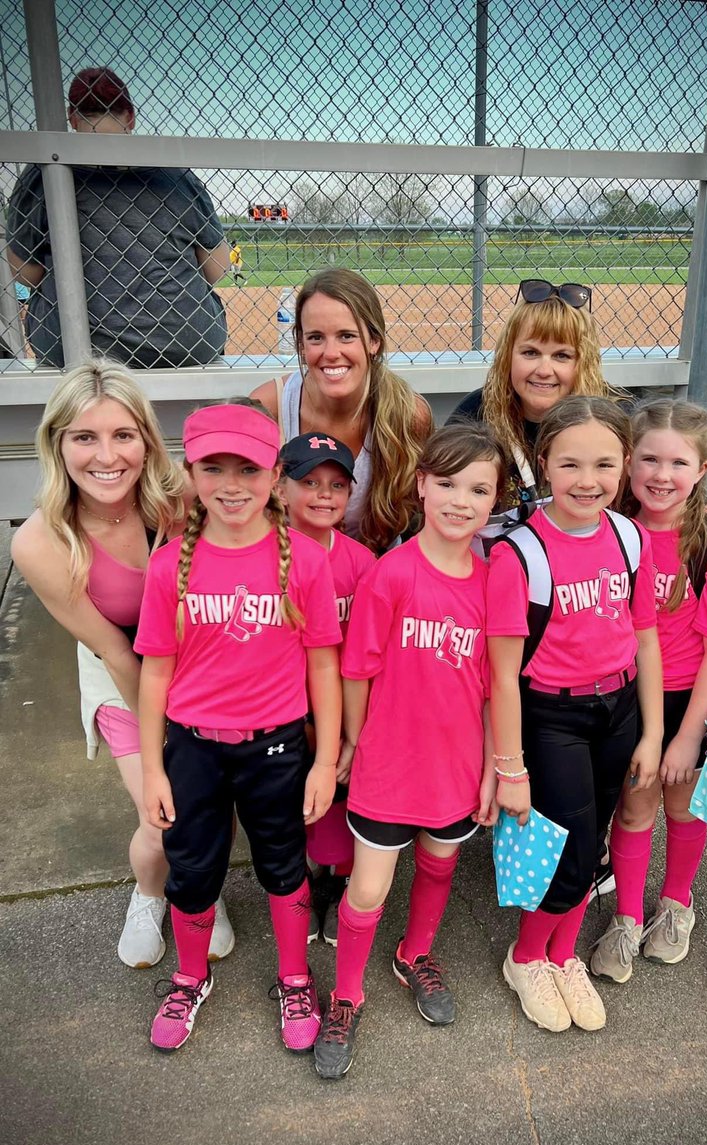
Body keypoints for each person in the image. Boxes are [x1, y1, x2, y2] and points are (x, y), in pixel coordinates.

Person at [10, 359, 233, 968]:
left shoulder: (179, 501)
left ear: (145, 439)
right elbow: (112, 649)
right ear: (58, 444)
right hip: (120, 671)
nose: (106, 456)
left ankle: (200, 887)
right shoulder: (41, 541)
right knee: (162, 811)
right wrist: (169, 743)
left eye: (122, 435)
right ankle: (151, 892)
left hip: (199, 665)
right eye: (85, 437)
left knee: (209, 801)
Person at [135, 401, 342, 1053]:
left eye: (248, 469)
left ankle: (293, 975)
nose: (231, 484)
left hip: (276, 746)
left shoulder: (303, 561)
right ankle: (190, 974)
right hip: (193, 747)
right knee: (192, 867)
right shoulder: (171, 565)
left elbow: (324, 669)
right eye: (213, 467)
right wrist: (151, 769)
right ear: (190, 471)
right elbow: (154, 675)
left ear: (275, 474)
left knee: (282, 861)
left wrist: (323, 757)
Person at [313, 424, 504, 1079]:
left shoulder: (491, 582)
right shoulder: (392, 574)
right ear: (421, 484)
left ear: (494, 499)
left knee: (440, 864)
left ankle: (414, 952)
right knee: (367, 889)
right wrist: (359, 742)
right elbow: (356, 670)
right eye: (447, 483)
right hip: (390, 767)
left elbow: (491, 688)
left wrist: (490, 770)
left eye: (478, 489)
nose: (460, 500)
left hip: (457, 765)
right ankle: (345, 994)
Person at [486, 396, 663, 1034]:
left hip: (617, 709)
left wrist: (653, 730)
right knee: (567, 849)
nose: (588, 481)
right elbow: (501, 674)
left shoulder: (629, 535)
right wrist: (509, 767)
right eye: (571, 465)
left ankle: (564, 955)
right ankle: (528, 955)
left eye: (604, 465)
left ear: (623, 468)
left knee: (592, 847)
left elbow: (644, 636)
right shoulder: (521, 555)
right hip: (551, 716)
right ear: (543, 465)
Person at [590, 401, 707, 983]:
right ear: (628, 463)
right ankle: (627, 916)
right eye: (649, 459)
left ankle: (676, 905)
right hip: (625, 693)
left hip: (687, 699)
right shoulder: (613, 525)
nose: (661, 475)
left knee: (680, 802)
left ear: (702, 468)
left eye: (678, 462)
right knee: (635, 805)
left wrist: (685, 738)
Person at [6, 67, 228, 369]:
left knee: (43, 303)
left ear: (72, 118)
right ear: (131, 117)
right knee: (208, 303)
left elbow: (24, 273)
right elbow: (217, 268)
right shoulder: (174, 173)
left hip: (74, 346)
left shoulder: (41, 173)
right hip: (185, 342)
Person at [250, 268, 433, 552]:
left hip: (375, 568)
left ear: (374, 341)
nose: (331, 352)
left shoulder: (407, 414)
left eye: (346, 336)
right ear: (301, 343)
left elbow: (423, 519)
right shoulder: (269, 407)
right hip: (287, 571)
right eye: (316, 338)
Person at [278, 430, 376, 944]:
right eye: (309, 482)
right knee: (287, 799)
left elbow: (363, 655)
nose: (323, 495)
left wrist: (343, 727)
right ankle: (302, 878)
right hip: (283, 708)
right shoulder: (265, 554)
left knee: (339, 795)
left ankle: (337, 881)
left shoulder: (359, 562)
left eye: (337, 485)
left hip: (338, 706)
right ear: (280, 488)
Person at [448, 279, 621, 511]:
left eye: (562, 356)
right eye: (530, 352)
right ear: (508, 355)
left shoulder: (612, 420)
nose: (543, 371)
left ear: (584, 362)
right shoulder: (475, 412)